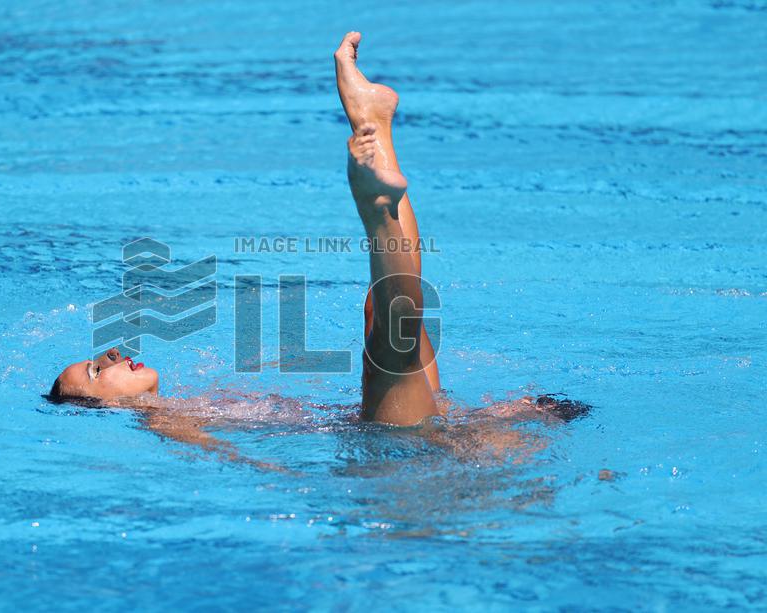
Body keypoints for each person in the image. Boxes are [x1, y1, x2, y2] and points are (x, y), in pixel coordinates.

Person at [47, 33, 587, 465]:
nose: (111, 353)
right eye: (95, 371)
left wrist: (479, 421)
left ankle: (373, 129)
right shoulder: (161, 421)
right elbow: (249, 465)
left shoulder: (186, 400)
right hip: (396, 449)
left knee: (386, 316)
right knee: (390, 338)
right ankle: (375, 198)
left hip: (406, 431)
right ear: (103, 409)